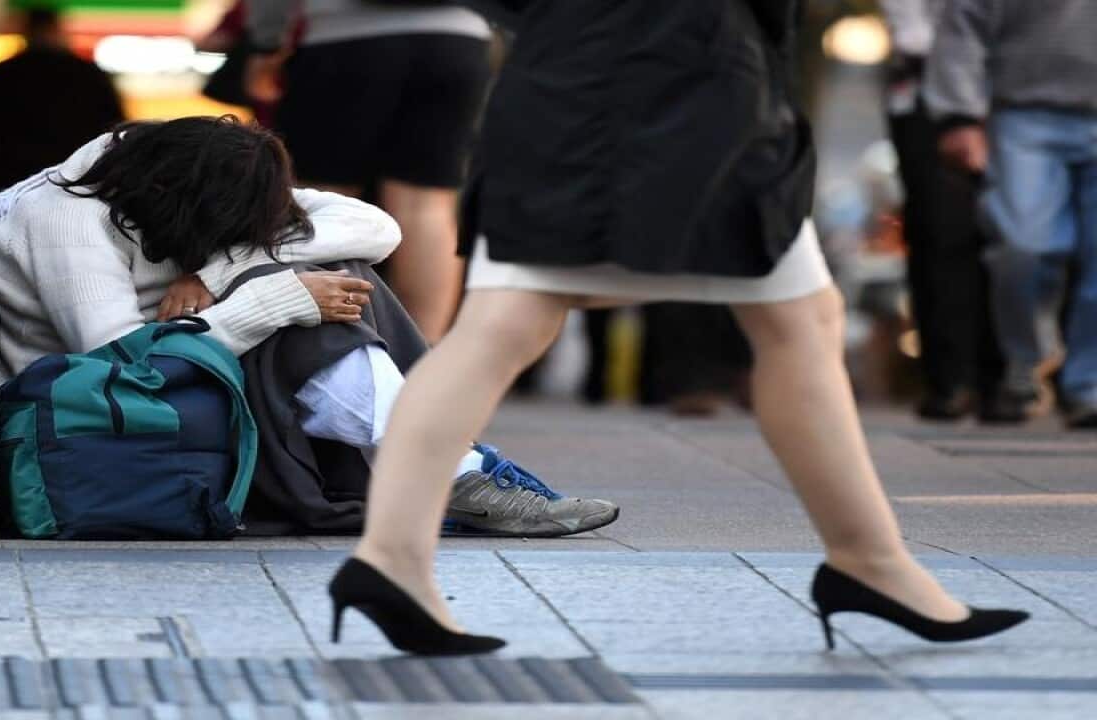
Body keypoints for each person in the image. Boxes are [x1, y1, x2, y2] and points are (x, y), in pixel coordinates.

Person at [329, 1, 1029, 655]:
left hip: (601, 71)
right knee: (515, 322)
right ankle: (869, 562)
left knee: (793, 319)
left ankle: (870, 560)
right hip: (669, 81)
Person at [0, 116, 618, 537]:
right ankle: (450, 467)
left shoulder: (184, 177)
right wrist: (274, 298)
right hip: (100, 426)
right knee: (305, 291)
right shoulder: (63, 221)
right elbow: (119, 367)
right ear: (176, 197)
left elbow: (376, 226)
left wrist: (221, 271)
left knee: (333, 265)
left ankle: (447, 465)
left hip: (182, 393)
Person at [242, 0, 494, 343]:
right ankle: (421, 358)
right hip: (458, 38)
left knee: (322, 199)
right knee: (427, 206)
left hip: (342, 38)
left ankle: (317, 346)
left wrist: (266, 40)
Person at [925, 0, 1097, 429]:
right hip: (1023, 113)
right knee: (1023, 245)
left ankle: (1088, 385)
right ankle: (1029, 359)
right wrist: (958, 115)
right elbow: (960, 30)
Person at [879, 0, 1004, 422]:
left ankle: (1001, 377)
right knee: (937, 234)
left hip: (1009, 89)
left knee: (1005, 233)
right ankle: (949, 380)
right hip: (924, 89)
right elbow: (910, 30)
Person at [0, 7, 124, 205]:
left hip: (11, 184)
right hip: (75, 183)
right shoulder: (89, 75)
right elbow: (113, 131)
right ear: (56, 29)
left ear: (25, 31)